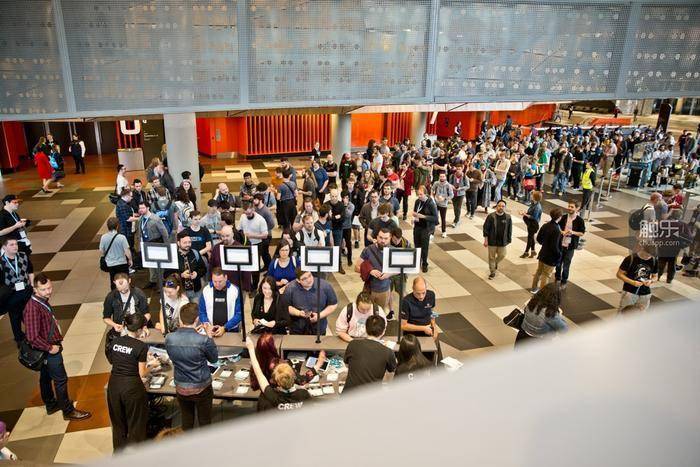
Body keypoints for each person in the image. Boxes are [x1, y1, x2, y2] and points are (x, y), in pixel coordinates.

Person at [23, 274, 91, 421]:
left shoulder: (41, 301)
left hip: (48, 347)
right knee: (61, 380)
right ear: (35, 289)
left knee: (45, 377)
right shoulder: (33, 307)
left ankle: (51, 404)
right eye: (43, 289)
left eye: (49, 288)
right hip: (48, 350)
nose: (48, 292)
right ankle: (68, 411)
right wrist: (49, 348)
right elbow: (32, 337)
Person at [165, 303, 218, 430]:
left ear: (180, 319)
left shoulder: (169, 338)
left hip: (181, 386)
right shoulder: (203, 340)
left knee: (187, 420)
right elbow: (214, 359)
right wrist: (209, 336)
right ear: (197, 319)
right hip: (202, 387)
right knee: (205, 422)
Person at [106, 313, 150, 451]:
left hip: (114, 385)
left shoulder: (115, 342)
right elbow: (142, 373)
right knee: (136, 424)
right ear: (140, 329)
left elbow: (114, 360)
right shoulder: (141, 346)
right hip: (132, 388)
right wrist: (152, 366)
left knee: (118, 424)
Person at [245, 336, 310, 412]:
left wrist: (251, 349)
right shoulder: (304, 394)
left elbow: (258, 373)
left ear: (277, 382)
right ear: (293, 377)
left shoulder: (271, 396)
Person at [343, 315, 397, 392]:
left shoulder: (353, 344)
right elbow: (391, 374)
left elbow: (347, 365)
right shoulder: (388, 352)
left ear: (365, 328)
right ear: (383, 331)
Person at [102, 273, 150, 354]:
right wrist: (114, 325)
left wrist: (144, 326)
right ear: (114, 283)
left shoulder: (138, 294)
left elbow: (146, 313)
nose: (123, 291)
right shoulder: (111, 297)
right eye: (120, 290)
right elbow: (106, 317)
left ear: (129, 281)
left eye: (125, 289)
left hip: (138, 328)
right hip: (121, 330)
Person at [283, 268, 338, 335]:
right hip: (297, 328)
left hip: (319, 329)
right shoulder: (290, 288)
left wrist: (319, 315)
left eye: (309, 275)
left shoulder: (325, 286)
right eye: (304, 279)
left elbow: (333, 304)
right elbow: (286, 307)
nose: (309, 280)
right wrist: (298, 313)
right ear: (298, 280)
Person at [1, 237, 34, 345]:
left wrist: (32, 285)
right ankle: (19, 338)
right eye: (11, 244)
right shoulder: (1, 262)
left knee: (29, 313)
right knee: (15, 317)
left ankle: (33, 334)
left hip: (26, 290)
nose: (15, 246)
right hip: (12, 294)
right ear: (4, 247)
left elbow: (30, 270)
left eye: (16, 244)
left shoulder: (23, 256)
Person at [357, 228, 395, 315]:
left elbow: (400, 269)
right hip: (369, 289)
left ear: (390, 238)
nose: (383, 241)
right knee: (365, 313)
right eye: (380, 237)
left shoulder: (393, 251)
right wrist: (370, 271)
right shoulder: (368, 250)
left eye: (386, 238)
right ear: (376, 237)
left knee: (379, 314)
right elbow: (357, 267)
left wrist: (389, 274)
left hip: (384, 290)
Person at [198, 267, 242, 337]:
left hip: (231, 330)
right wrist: (207, 325)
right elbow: (202, 312)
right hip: (211, 331)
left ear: (226, 278)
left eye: (220, 281)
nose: (217, 284)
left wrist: (225, 327)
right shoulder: (206, 290)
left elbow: (239, 314)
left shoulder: (235, 290)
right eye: (215, 281)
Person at [136, 202, 170, 288]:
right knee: (150, 263)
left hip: (156, 244)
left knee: (159, 264)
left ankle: (161, 281)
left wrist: (167, 246)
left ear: (148, 208)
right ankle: (153, 280)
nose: (141, 210)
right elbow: (139, 233)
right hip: (146, 244)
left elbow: (164, 233)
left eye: (143, 208)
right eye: (140, 208)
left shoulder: (155, 219)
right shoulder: (140, 219)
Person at [617, 244, 658, 313]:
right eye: (647, 255)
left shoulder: (654, 260)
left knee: (641, 313)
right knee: (625, 312)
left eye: (651, 256)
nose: (648, 257)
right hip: (630, 291)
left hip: (645, 293)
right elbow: (619, 274)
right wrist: (632, 282)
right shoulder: (630, 259)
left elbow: (655, 276)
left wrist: (651, 281)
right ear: (643, 249)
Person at [531, 208, 563, 293]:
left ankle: (534, 288)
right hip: (551, 257)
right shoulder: (557, 229)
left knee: (539, 272)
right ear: (559, 217)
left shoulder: (546, 225)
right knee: (546, 275)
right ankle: (542, 293)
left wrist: (544, 244)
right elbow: (555, 246)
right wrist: (559, 254)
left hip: (543, 253)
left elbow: (539, 238)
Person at [239, 201, 270, 288]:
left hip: (257, 245)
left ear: (253, 209)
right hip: (245, 244)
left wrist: (251, 235)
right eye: (246, 213)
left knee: (255, 267)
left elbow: (265, 235)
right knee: (245, 265)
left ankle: (255, 286)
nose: (247, 215)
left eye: (249, 213)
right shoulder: (243, 217)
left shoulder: (260, 219)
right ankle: (246, 284)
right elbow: (239, 229)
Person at [555, 200, 586, 288]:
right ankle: (557, 277)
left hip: (570, 246)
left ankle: (564, 281)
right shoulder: (564, 217)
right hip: (561, 243)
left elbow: (582, 233)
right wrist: (562, 232)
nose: (569, 208)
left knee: (566, 264)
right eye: (569, 206)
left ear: (577, 208)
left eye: (572, 207)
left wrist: (573, 232)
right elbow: (557, 227)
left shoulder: (580, 220)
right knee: (558, 262)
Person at [411, 186, 438, 273]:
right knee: (417, 244)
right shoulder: (417, 201)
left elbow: (436, 219)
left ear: (425, 194)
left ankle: (425, 263)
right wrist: (414, 218)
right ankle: (418, 261)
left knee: (424, 246)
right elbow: (416, 212)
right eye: (418, 194)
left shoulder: (430, 203)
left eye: (421, 194)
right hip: (417, 226)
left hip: (426, 227)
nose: (419, 196)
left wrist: (424, 216)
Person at [483, 199, 512, 279]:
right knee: (491, 257)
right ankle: (492, 272)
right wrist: (486, 240)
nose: (501, 207)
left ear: (505, 207)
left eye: (503, 206)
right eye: (499, 206)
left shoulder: (508, 217)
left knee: (502, 255)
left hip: (502, 242)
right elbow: (486, 228)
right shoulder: (491, 216)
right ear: (496, 207)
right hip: (492, 241)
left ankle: (495, 263)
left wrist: (509, 239)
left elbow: (510, 229)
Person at [99, 217, 132, 288]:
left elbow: (101, 251)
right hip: (122, 263)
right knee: (125, 280)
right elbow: (127, 251)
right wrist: (130, 260)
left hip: (110, 264)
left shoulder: (103, 237)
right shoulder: (122, 237)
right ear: (117, 226)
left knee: (114, 281)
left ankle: (115, 293)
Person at [520, 190, 542, 258]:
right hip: (530, 223)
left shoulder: (537, 207)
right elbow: (530, 213)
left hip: (533, 224)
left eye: (532, 195)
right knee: (531, 237)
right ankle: (533, 251)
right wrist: (525, 213)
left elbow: (534, 217)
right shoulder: (534, 204)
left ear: (535, 197)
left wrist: (524, 214)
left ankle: (526, 252)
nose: (531, 196)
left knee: (530, 238)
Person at [431, 171, 454, 238]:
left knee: (443, 218)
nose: (442, 177)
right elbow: (432, 190)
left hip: (443, 205)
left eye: (443, 176)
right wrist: (433, 197)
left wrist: (444, 198)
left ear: (445, 177)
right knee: (434, 218)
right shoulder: (436, 183)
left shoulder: (448, 185)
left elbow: (451, 195)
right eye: (441, 176)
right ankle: (432, 233)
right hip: (436, 203)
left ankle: (444, 232)